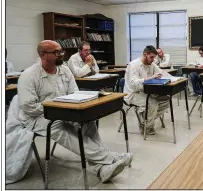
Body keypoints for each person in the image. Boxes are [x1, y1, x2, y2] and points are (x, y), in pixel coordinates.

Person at [17, 40, 132, 183]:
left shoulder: (64, 70)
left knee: (87, 121)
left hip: (64, 110)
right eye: (56, 52)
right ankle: (110, 158)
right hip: (37, 117)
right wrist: (57, 106)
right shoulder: (29, 76)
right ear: (42, 55)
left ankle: (102, 168)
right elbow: (28, 107)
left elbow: (74, 93)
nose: (61, 55)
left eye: (61, 51)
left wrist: (65, 106)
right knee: (58, 126)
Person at [123, 45, 169, 135]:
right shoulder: (133, 65)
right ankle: (147, 127)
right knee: (153, 103)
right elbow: (133, 83)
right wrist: (150, 77)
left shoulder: (151, 63)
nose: (153, 60)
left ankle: (144, 120)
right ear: (145, 54)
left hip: (145, 92)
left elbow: (161, 72)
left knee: (166, 100)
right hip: (132, 94)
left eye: (154, 57)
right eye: (151, 57)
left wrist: (176, 78)